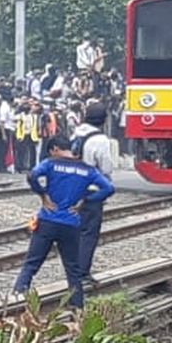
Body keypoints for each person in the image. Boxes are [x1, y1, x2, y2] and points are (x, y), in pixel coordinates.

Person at [12, 136, 116, 309]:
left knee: (32, 262)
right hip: (71, 223)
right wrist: (87, 200)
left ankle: (18, 294)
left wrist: (43, 194)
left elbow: (32, 175)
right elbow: (109, 188)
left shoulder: (51, 163)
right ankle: (77, 307)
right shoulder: (87, 170)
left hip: (47, 219)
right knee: (73, 268)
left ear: (54, 149)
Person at [72, 102, 116, 286]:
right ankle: (82, 272)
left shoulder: (76, 133)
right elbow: (106, 167)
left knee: (75, 230)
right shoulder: (101, 140)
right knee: (89, 232)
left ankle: (72, 268)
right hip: (92, 190)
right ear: (104, 120)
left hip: (73, 187)